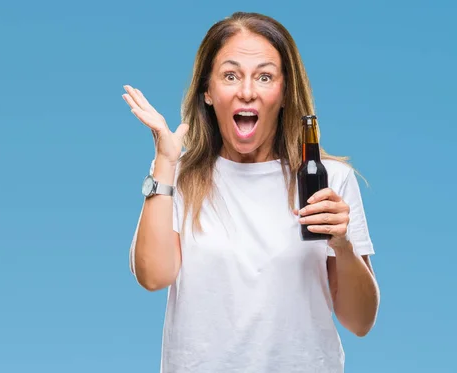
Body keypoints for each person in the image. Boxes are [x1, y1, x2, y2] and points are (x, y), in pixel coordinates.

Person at [122, 11, 380, 373]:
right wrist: (164, 163)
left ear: (285, 91)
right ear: (207, 91)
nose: (246, 91)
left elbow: (360, 321)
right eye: (230, 75)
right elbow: (153, 276)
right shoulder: (178, 179)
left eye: (264, 76)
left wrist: (343, 245)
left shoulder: (328, 179)